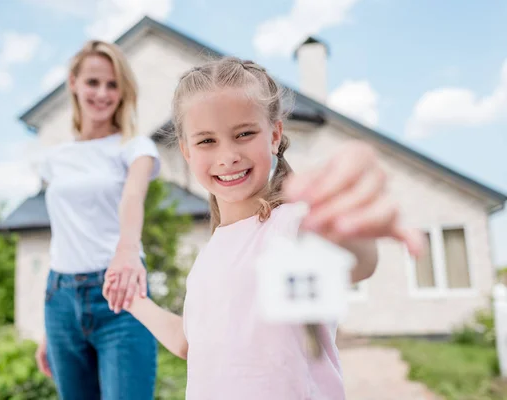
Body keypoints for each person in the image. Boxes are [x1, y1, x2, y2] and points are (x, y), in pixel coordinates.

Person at [103, 57, 423, 399]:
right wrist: (133, 301)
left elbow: (357, 260)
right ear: (186, 151)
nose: (227, 156)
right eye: (207, 141)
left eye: (244, 134)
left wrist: (347, 219)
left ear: (275, 134)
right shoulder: (211, 253)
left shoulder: (290, 224)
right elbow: (189, 343)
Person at [34, 40, 160, 400]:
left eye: (112, 84)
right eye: (93, 82)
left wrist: (127, 250)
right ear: (73, 83)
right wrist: (51, 328)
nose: (102, 93)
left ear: (123, 92)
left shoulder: (135, 148)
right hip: (59, 300)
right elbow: (66, 232)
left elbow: (133, 195)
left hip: (120, 296)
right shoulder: (54, 159)